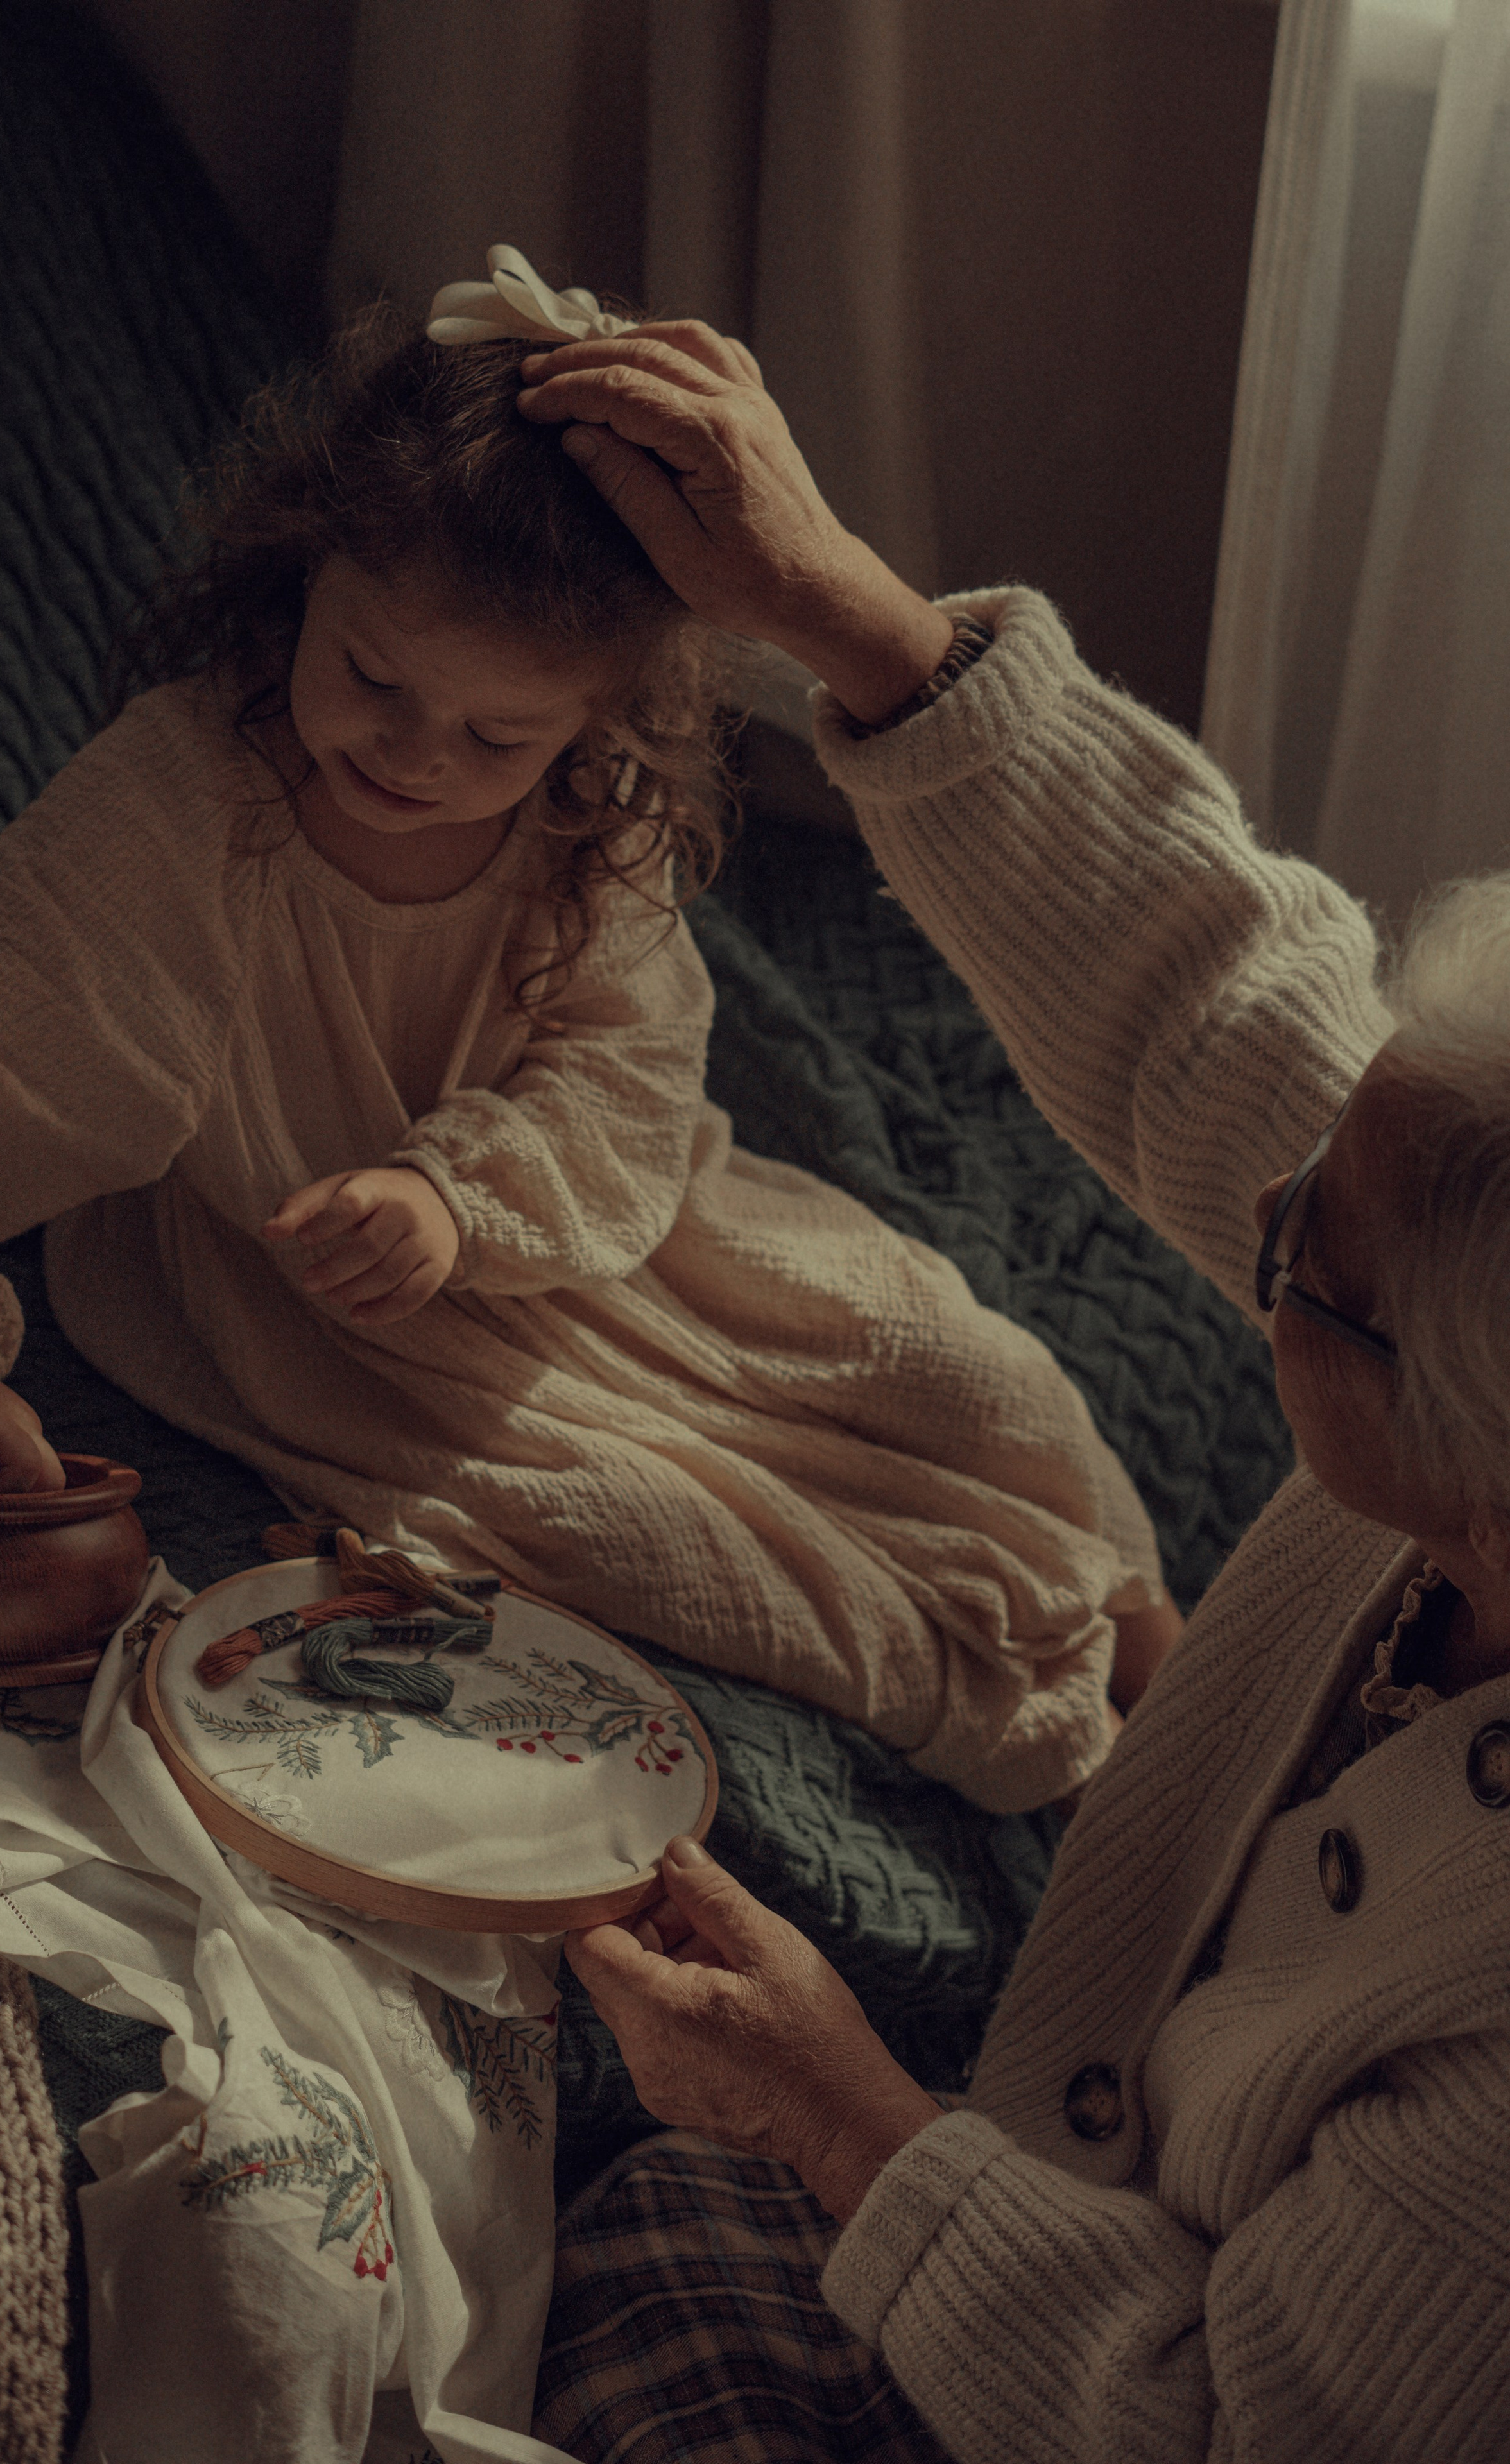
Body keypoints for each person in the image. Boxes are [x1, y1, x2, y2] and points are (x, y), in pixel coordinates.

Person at [490, 321, 1510, 2461]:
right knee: (643, 2219)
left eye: (1299, 1273)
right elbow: (1224, 996)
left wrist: (843, 2113)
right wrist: (842, 612)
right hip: (1076, 2199)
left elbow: (1229, 2429)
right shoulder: (1446, 1309)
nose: (1267, 1202)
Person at [0, 259, 1178, 1816]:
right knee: (643, 1522)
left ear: (597, 718)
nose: (416, 757)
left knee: (972, 1369)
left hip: (598, 1225)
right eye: (372, 678)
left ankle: (1178, 1666)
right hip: (321, 1298)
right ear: (306, 576)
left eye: (499, 735)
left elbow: (623, 1074)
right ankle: (1095, 1779)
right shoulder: (183, 804)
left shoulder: (590, 812)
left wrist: (456, 1195)